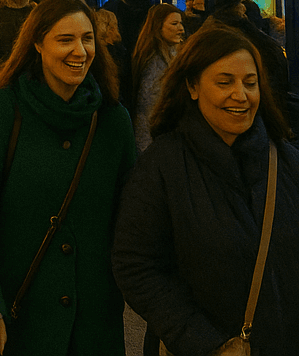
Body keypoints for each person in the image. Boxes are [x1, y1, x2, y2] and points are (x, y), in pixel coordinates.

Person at [0, 0, 136, 356]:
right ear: (37, 44)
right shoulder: (4, 109)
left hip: (93, 322)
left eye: (87, 39)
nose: (79, 51)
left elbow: (133, 215)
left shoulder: (113, 121)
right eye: (65, 40)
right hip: (18, 315)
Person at [113, 24, 299, 356]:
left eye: (250, 83)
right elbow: (135, 264)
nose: (240, 95)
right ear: (193, 86)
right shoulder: (162, 166)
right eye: (224, 82)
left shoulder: (286, 162)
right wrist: (203, 341)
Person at [131, 3, 185, 152]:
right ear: (158, 27)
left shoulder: (168, 54)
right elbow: (149, 105)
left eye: (181, 23)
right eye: (174, 24)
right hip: (154, 140)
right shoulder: (155, 61)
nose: (181, 29)